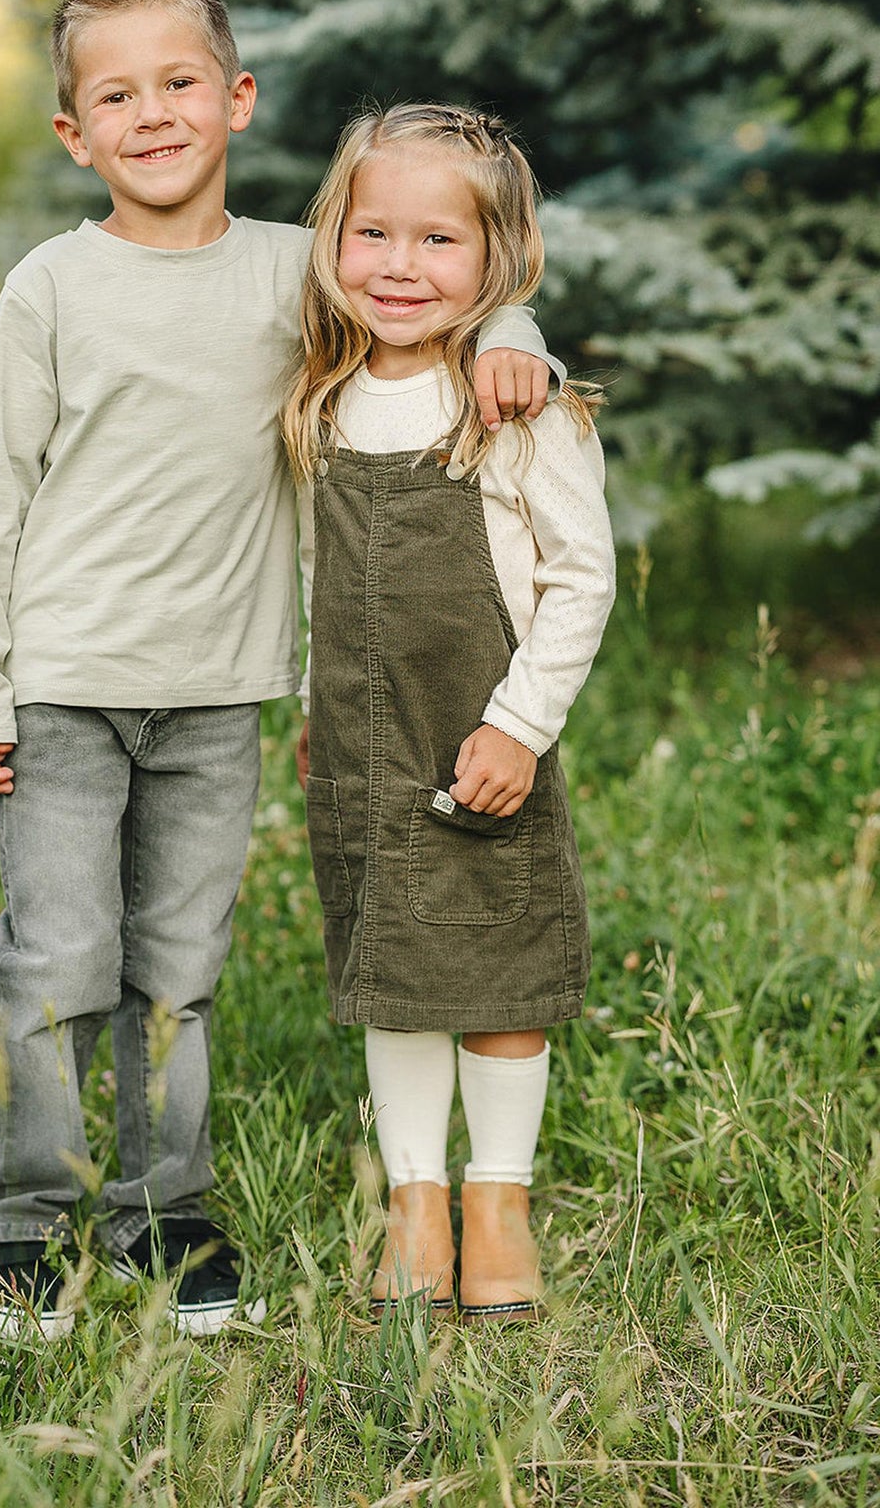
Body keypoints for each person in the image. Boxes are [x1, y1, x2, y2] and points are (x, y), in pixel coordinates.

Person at [0, 0, 559, 1343]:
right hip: (64, 691)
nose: (151, 114)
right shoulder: (52, 288)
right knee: (56, 959)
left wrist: (517, 330)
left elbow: (437, 299)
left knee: (178, 961)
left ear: (237, 100)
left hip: (221, 694)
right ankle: (28, 1223)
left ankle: (168, 1212)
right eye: (115, 93)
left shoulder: (303, 272)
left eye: (178, 83)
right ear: (72, 133)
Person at [284, 102, 616, 1321]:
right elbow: (323, 575)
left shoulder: (517, 409)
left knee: (499, 969)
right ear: (335, 238)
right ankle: (415, 1202)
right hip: (366, 739)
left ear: (496, 260)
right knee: (394, 968)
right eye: (376, 233)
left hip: (482, 738)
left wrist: (522, 725)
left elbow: (584, 578)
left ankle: (497, 1199)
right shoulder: (323, 399)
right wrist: (323, 696)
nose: (402, 267)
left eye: (440, 242)